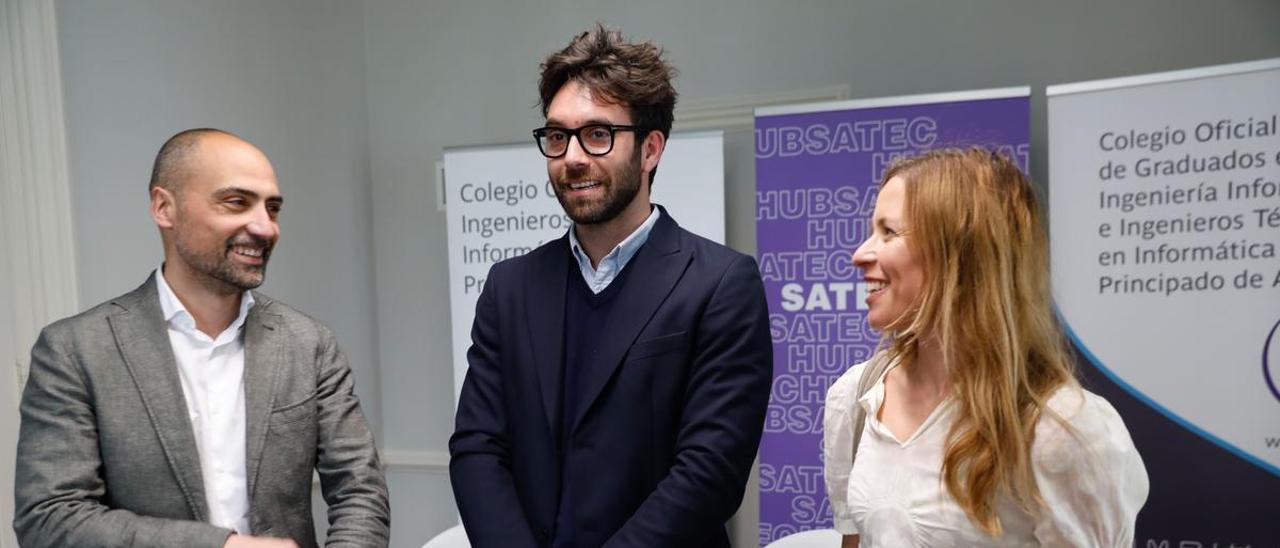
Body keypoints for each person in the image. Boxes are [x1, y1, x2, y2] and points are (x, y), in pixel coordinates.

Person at [449, 25, 773, 548]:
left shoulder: (719, 284)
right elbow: (477, 447)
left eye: (598, 134)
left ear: (650, 149)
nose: (573, 156)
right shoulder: (510, 287)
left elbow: (710, 471)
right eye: (557, 136)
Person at [14, 128, 391, 548]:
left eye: (273, 208)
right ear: (164, 207)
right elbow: (49, 518)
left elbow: (360, 491)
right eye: (237, 202)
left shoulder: (309, 344)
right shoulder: (75, 350)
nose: (264, 227)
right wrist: (222, 547)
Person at [823, 149, 1148, 547]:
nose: (860, 254)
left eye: (889, 232)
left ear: (962, 254)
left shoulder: (1064, 430)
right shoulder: (857, 396)